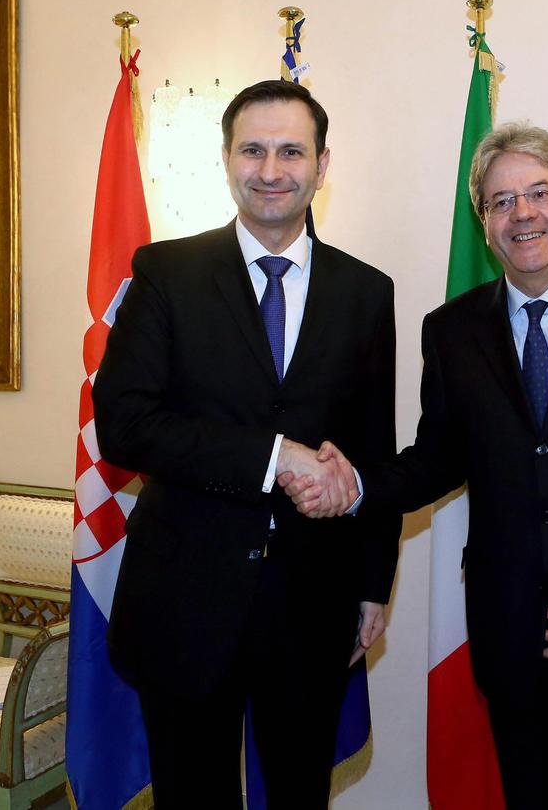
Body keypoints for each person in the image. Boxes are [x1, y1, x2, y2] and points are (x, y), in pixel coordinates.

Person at [285, 122, 548, 807]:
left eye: (539, 193)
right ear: (484, 225)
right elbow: (437, 460)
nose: (522, 213)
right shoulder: (452, 330)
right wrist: (356, 480)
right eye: (500, 201)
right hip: (515, 643)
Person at [93, 79, 400, 809]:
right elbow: (126, 424)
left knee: (300, 795)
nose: (271, 169)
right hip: (185, 602)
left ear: (323, 164)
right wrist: (274, 456)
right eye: (253, 150)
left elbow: (373, 450)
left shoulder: (367, 291)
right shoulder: (164, 273)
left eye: (291, 151)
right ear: (226, 158)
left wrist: (371, 580)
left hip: (314, 604)